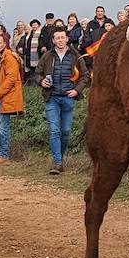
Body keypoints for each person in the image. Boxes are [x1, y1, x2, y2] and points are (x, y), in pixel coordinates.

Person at [38, 26, 90, 174]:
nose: (60, 40)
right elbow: (37, 74)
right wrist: (41, 81)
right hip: (52, 97)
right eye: (57, 38)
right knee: (54, 130)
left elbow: (85, 76)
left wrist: (77, 90)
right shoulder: (47, 56)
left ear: (67, 39)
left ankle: (59, 156)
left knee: (65, 131)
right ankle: (58, 163)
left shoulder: (75, 55)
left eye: (63, 37)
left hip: (68, 97)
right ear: (53, 40)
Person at [0, 31, 24, 162]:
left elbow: (11, 79)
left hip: (4, 98)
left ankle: (4, 155)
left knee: (3, 127)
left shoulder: (9, 58)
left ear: (4, 43)